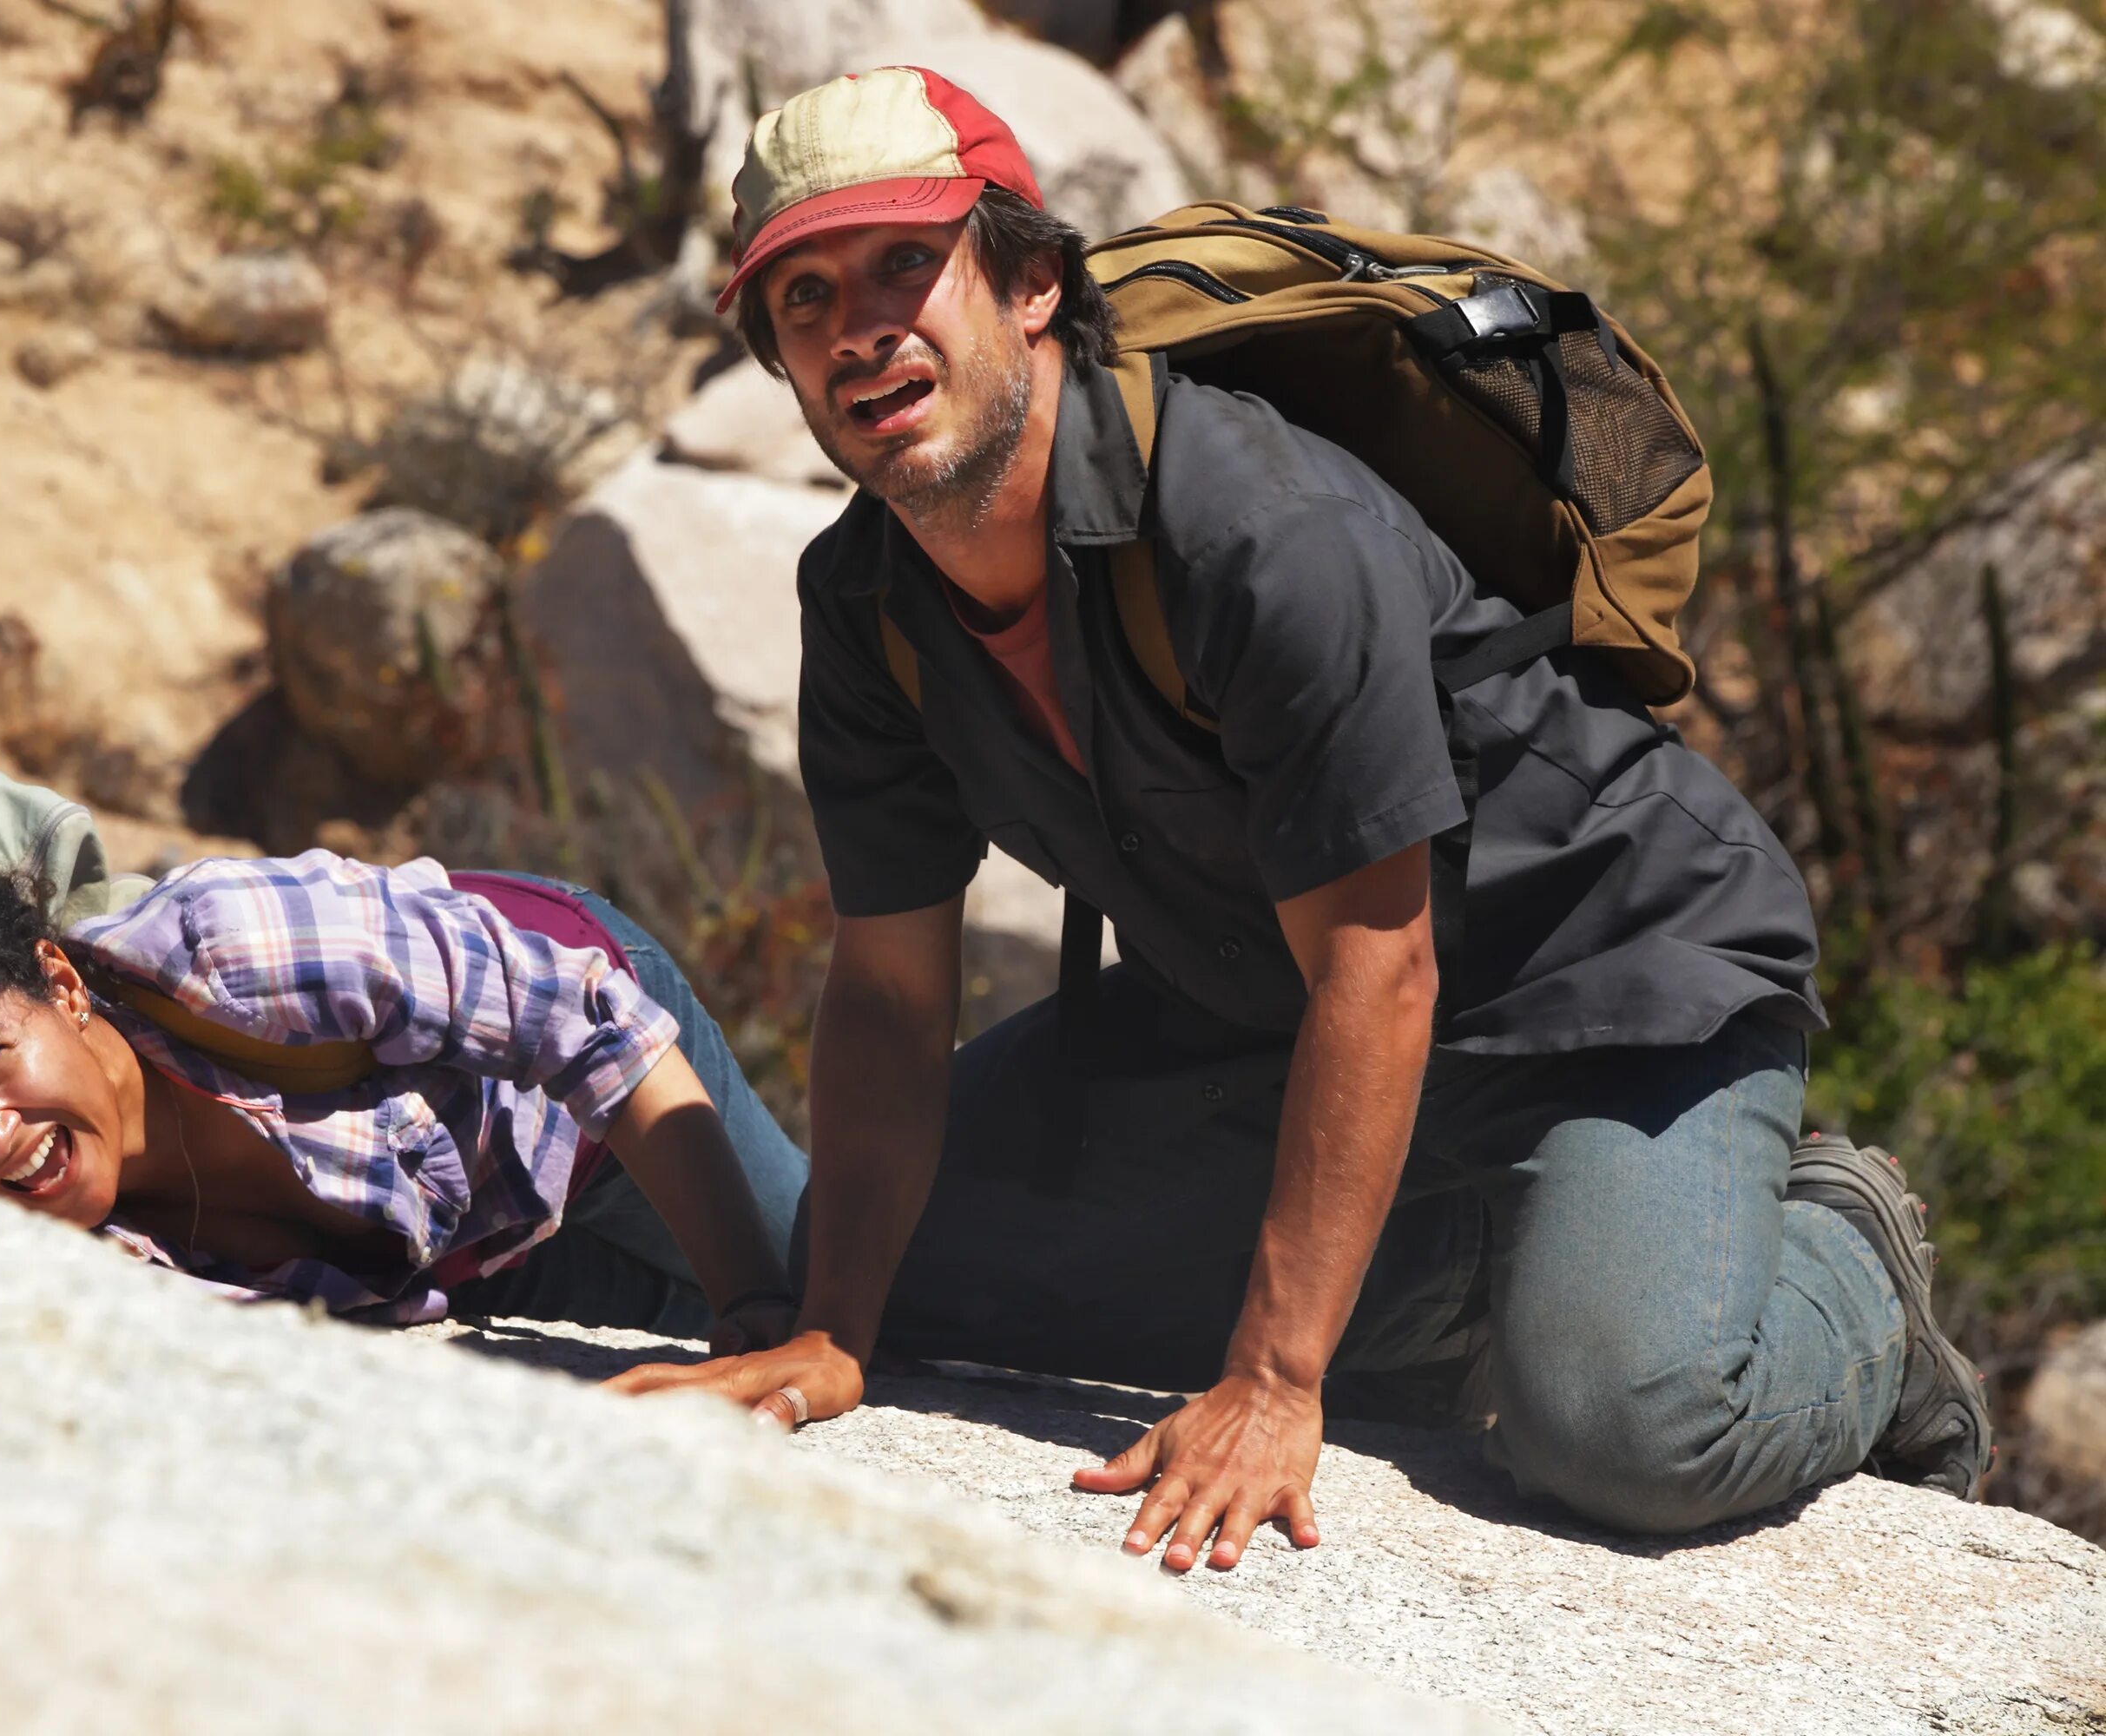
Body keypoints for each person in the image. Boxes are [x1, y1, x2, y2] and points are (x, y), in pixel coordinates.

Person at [610, 65, 1991, 1559]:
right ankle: (1468, 1267)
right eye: (803, 299)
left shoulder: (1255, 531)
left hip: (1596, 982)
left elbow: (1378, 965)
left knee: (1621, 1431)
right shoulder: (868, 602)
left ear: (1027, 286)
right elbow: (888, 992)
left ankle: (1845, 1257)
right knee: (882, 1265)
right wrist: (829, 1330)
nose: (860, 327)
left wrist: (1276, 1378)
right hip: (1256, 1005)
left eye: (904, 265)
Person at [0, 846, 807, 1346]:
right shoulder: (56, 1260)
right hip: (472, 1252)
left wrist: (759, 1315)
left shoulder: (226, 949)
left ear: (61, 980)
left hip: (590, 1096)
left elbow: (578, 1023)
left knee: (852, 1295)